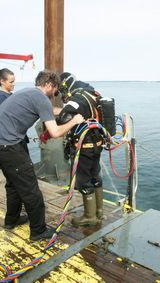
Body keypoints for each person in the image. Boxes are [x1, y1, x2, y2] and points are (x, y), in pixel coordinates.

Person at [0, 70, 85, 241]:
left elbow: (50, 110)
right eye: (55, 90)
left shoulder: (28, 92)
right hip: (8, 146)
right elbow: (54, 132)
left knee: (13, 183)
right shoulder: (42, 99)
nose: (55, 94)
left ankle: (12, 219)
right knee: (31, 189)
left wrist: (64, 110)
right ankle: (38, 231)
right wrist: (74, 121)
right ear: (49, 85)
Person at [56, 72, 105, 227]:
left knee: (84, 180)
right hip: (97, 144)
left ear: (65, 86)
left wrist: (57, 117)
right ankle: (99, 211)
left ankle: (89, 217)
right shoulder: (91, 93)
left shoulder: (76, 99)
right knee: (95, 176)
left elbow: (63, 118)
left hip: (84, 147)